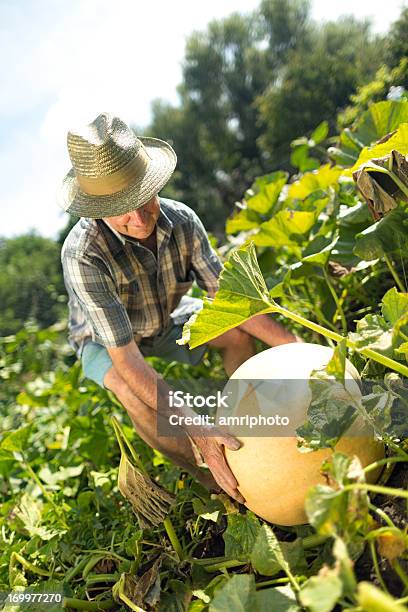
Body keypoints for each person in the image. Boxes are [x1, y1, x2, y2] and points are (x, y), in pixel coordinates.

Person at [59, 113, 299, 503]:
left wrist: (298, 353)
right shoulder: (83, 254)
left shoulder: (183, 221)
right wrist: (195, 427)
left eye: (141, 199)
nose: (137, 219)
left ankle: (248, 422)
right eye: (120, 209)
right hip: (105, 341)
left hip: (165, 314)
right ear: (95, 208)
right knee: (133, 393)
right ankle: (207, 475)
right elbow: (127, 360)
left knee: (236, 333)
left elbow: (232, 302)